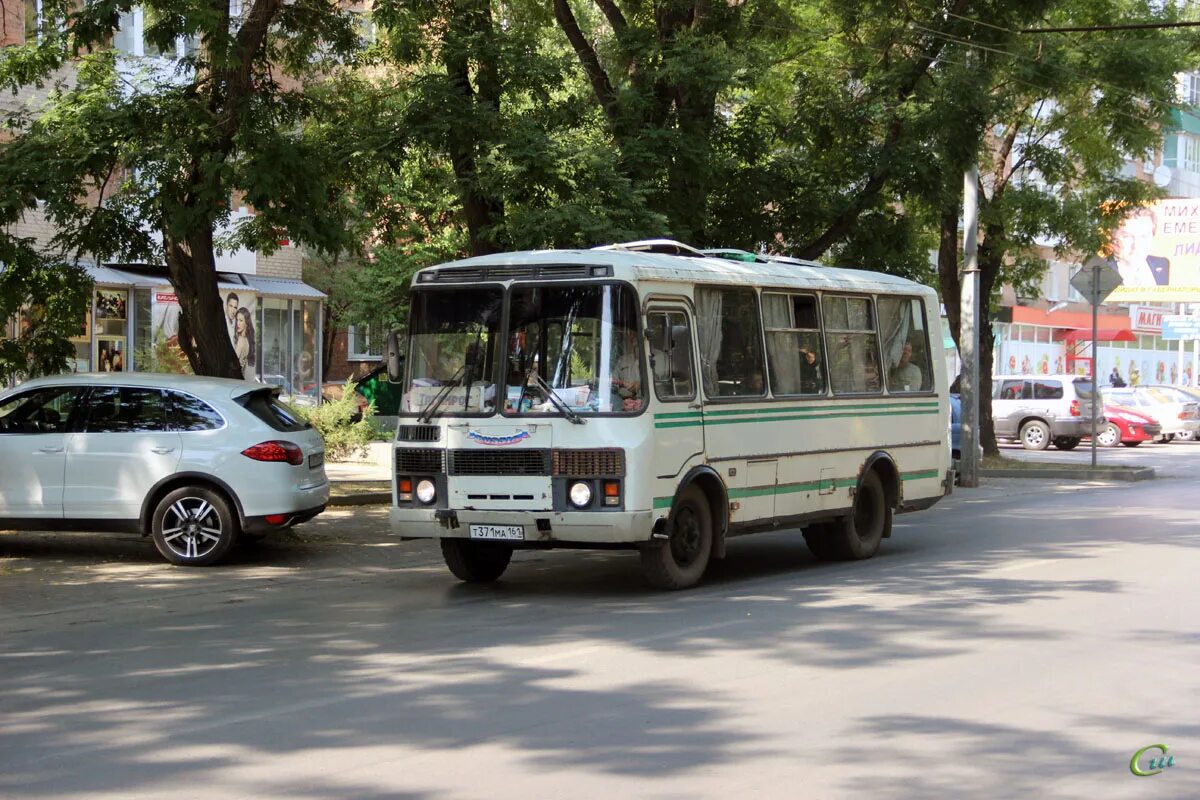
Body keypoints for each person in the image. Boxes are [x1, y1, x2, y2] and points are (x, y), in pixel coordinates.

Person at [1112, 207, 1170, 288]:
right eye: (1127, 236)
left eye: (1144, 236)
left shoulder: (1163, 264)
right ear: (1114, 237)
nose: (1136, 245)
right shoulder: (1097, 271)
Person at [611, 327, 643, 411]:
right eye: (630, 334)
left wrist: (639, 386)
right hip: (623, 403)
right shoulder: (623, 360)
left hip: (646, 404)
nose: (632, 336)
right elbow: (613, 381)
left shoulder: (660, 358)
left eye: (635, 334)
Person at [234, 307, 257, 381]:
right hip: (241, 378)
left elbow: (233, 362)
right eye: (237, 320)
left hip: (235, 379)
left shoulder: (241, 339)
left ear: (246, 323)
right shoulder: (248, 339)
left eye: (241, 320)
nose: (238, 323)